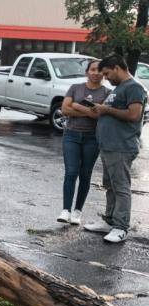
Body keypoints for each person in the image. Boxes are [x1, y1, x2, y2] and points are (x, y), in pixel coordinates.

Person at [83, 54, 147, 243]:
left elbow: (134, 115)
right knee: (110, 186)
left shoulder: (134, 87)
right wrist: (100, 109)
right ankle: (109, 221)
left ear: (117, 68)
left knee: (120, 187)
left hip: (121, 146)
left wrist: (106, 110)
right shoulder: (119, 88)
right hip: (109, 145)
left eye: (107, 73)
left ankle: (120, 227)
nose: (106, 78)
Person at [57, 60, 109, 225]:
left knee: (85, 175)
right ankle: (66, 210)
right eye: (93, 69)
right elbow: (64, 109)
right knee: (71, 172)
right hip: (71, 135)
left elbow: (98, 115)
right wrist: (89, 110)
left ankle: (77, 211)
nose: (96, 73)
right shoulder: (75, 87)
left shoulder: (107, 93)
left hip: (92, 138)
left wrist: (77, 106)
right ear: (87, 71)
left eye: (99, 70)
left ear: (104, 74)